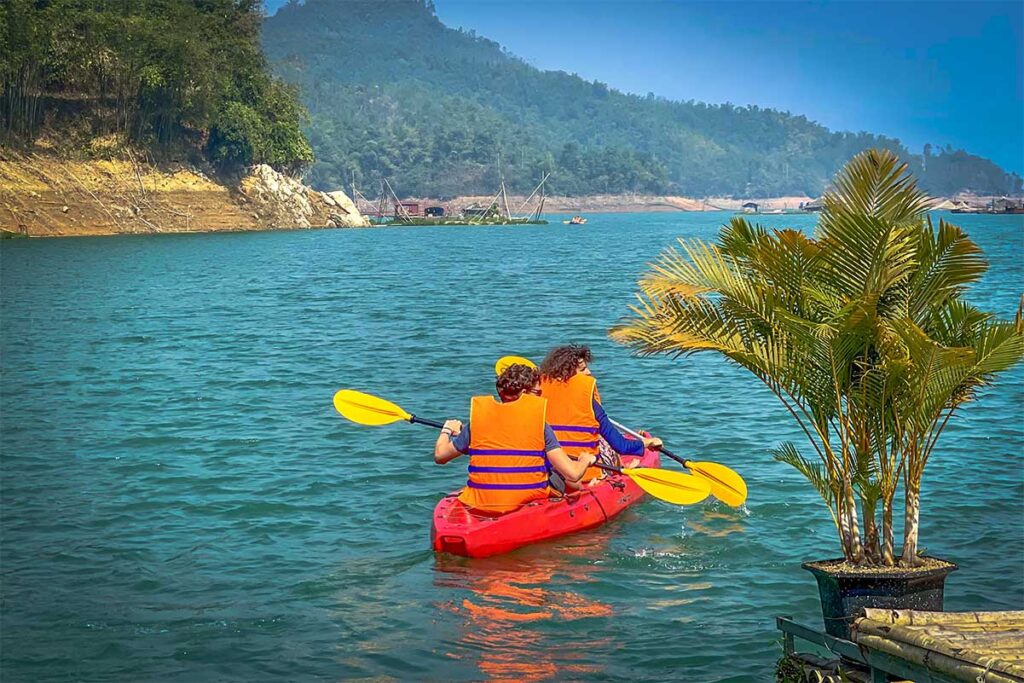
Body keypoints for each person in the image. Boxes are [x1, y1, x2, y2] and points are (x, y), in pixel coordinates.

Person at [434, 364, 597, 514]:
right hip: (527, 496)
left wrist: (447, 430)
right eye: (537, 393)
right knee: (565, 476)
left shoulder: (478, 421)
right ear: (525, 394)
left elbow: (440, 456)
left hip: (483, 500)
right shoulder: (539, 424)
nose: (542, 397)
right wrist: (584, 460)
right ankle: (578, 501)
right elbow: (573, 474)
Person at [539, 344, 662, 484]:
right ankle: (622, 467)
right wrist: (647, 443)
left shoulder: (538, 394)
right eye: (583, 369)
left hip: (549, 473)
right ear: (568, 372)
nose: (589, 372)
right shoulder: (586, 397)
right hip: (586, 474)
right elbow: (621, 446)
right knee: (604, 442)